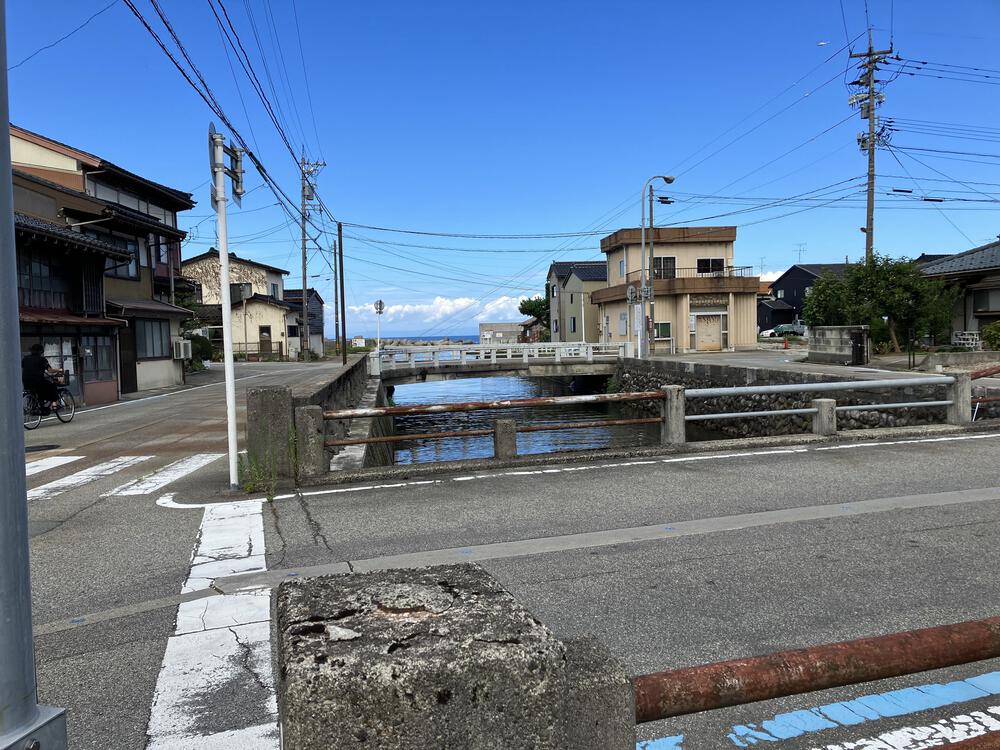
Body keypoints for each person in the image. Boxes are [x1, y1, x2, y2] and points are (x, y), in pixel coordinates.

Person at [22, 344, 63, 413]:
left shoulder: (25, 359)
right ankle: (54, 405)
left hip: (26, 382)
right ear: (40, 351)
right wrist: (59, 370)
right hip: (37, 382)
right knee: (52, 386)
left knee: (39, 390)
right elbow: (50, 370)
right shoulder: (42, 359)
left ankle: (40, 405)